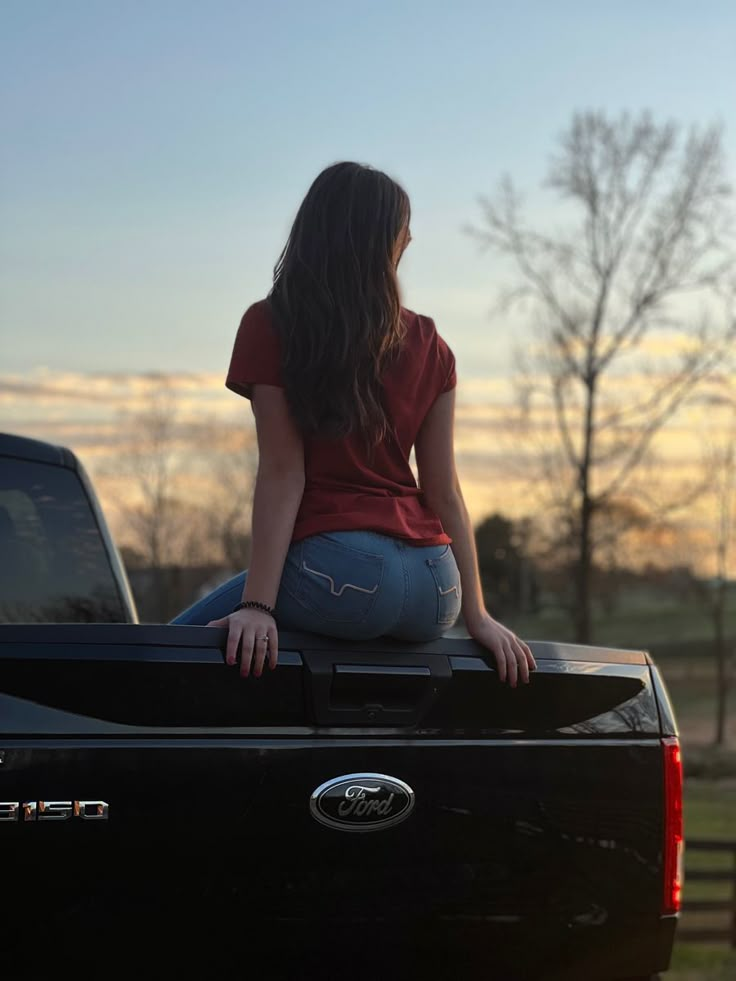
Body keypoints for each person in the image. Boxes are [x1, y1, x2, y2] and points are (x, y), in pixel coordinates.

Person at [174, 162, 536, 686]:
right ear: (379, 239)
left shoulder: (272, 323)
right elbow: (445, 491)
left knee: (172, 647)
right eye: (402, 225)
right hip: (436, 586)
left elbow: (283, 473)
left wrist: (258, 605)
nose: (410, 236)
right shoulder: (432, 344)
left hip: (342, 574)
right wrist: (477, 615)